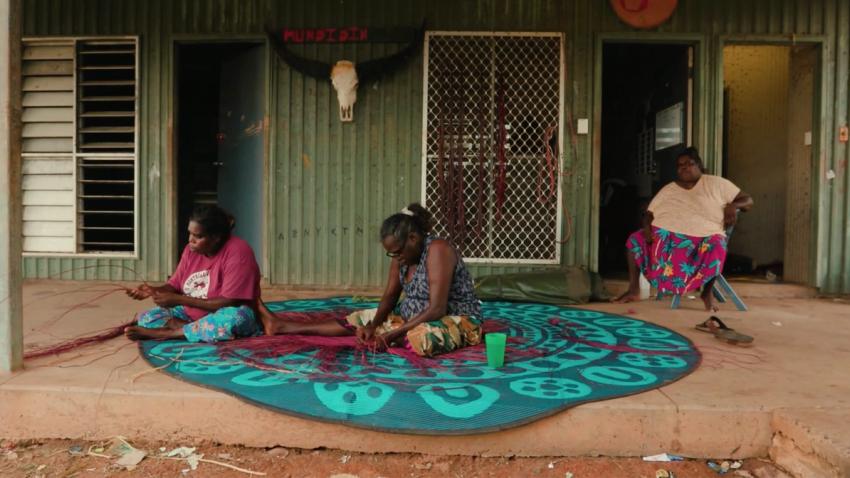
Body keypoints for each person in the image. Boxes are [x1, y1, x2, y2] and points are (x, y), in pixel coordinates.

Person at [257, 203, 483, 357]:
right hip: (410, 318)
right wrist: (374, 326)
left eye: (397, 252)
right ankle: (284, 326)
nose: (395, 257)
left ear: (413, 238)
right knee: (360, 320)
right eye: (391, 253)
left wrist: (390, 335)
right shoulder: (401, 255)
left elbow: (437, 309)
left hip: (454, 319)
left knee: (423, 338)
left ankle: (400, 336)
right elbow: (390, 296)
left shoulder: (437, 249)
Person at [613, 147, 754, 311]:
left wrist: (733, 205)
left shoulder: (716, 183)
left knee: (718, 246)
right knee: (635, 239)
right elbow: (649, 214)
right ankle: (633, 289)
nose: (684, 167)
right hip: (667, 239)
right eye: (680, 165)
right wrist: (647, 228)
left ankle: (707, 293)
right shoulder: (669, 189)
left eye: (689, 163)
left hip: (704, 238)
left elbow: (748, 200)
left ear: (699, 165)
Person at [124, 205, 262, 342]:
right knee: (147, 317)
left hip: (226, 312)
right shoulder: (191, 250)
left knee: (234, 318)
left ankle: (168, 333)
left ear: (216, 237)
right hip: (191, 314)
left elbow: (229, 302)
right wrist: (153, 290)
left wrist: (179, 300)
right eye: (190, 233)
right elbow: (174, 285)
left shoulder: (238, 251)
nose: (191, 240)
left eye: (198, 236)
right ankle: (195, 330)